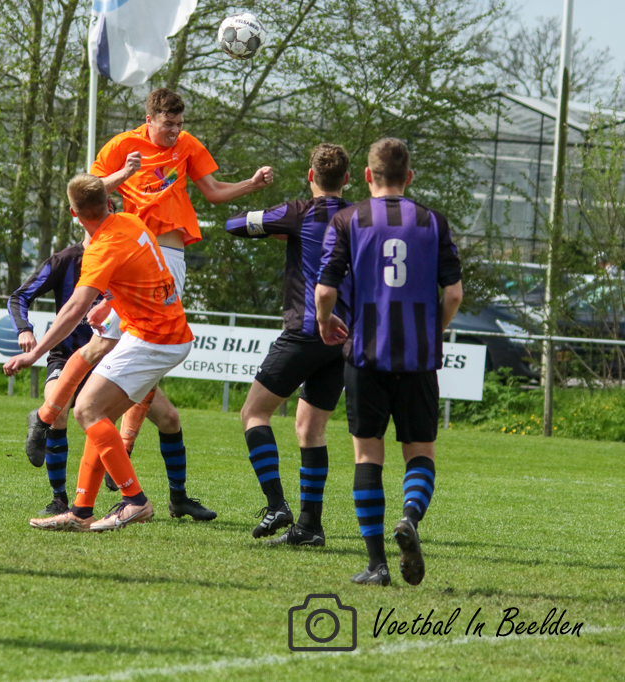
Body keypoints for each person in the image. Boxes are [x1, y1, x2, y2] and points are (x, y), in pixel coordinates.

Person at [28, 87, 273, 519]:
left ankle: (92, 449)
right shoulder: (123, 146)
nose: (175, 131)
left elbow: (213, 191)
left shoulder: (188, 145)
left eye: (180, 124)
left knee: (131, 360)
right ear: (149, 119)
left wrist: (251, 184)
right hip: (130, 254)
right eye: (168, 124)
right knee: (106, 349)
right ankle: (57, 424)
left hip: (168, 257)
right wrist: (124, 174)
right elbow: (86, 194)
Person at [4, 175, 193, 532]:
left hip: (153, 339)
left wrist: (34, 353)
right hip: (160, 331)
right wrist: (110, 303)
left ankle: (135, 500)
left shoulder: (100, 248)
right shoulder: (131, 221)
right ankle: (80, 511)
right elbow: (146, 272)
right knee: (97, 414)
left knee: (86, 409)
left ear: (74, 214)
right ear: (109, 203)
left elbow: (75, 308)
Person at [315, 138, 463, 587]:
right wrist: (432, 331)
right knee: (420, 452)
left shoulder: (348, 220)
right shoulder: (433, 222)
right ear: (409, 177)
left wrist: (324, 321)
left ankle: (377, 565)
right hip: (418, 359)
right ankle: (410, 517)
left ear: (367, 175)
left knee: (367, 454)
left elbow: (325, 290)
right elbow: (454, 294)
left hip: (365, 355)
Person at [226, 144, 351, 544]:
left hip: (305, 331)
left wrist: (275, 229)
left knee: (253, 412)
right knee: (311, 430)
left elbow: (234, 224)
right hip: (343, 339)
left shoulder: (298, 212)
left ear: (310, 176)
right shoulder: (360, 217)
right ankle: (310, 527)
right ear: (347, 179)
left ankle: (277, 504)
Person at [7, 240, 101, 516]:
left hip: (108, 358)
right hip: (66, 356)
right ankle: (59, 499)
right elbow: (18, 296)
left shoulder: (120, 255)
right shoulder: (65, 260)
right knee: (58, 411)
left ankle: (157, 493)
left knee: (163, 417)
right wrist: (23, 329)